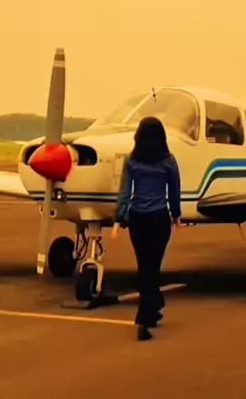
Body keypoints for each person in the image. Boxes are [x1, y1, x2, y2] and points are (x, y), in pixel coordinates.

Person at [111, 116, 182, 341]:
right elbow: (174, 191)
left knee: (144, 267)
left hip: (137, 219)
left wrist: (118, 218)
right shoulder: (169, 161)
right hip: (159, 219)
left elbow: (125, 192)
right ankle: (144, 318)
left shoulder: (131, 161)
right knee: (152, 267)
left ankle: (154, 306)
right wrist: (176, 215)